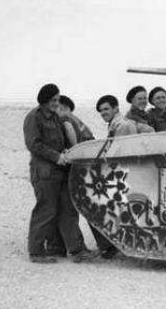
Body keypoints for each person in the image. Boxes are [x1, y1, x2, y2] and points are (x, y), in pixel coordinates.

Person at [23, 83, 95, 263]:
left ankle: (76, 250)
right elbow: (34, 144)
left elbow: (64, 138)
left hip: (61, 172)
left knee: (68, 210)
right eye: (53, 99)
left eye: (57, 99)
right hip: (44, 173)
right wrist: (56, 157)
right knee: (46, 211)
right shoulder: (33, 117)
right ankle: (36, 252)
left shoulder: (56, 117)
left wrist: (66, 153)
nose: (56, 103)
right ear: (44, 100)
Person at [55, 95, 119, 260]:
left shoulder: (66, 121)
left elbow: (75, 147)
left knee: (70, 209)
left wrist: (69, 155)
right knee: (92, 207)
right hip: (91, 168)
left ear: (64, 108)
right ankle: (107, 245)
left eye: (57, 107)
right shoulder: (79, 121)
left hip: (79, 169)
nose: (55, 110)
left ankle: (77, 249)